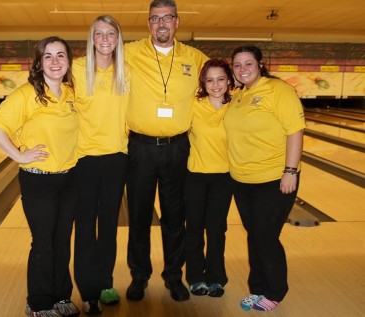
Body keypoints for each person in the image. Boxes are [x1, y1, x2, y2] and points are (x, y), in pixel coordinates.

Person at [0, 36, 80, 317]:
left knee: (62, 241)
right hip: (39, 180)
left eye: (60, 55)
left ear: (68, 61)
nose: (54, 61)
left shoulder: (71, 93)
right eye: (47, 56)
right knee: (43, 242)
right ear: (39, 63)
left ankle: (62, 296)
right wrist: (19, 155)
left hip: (69, 179)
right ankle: (38, 303)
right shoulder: (27, 94)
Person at [123, 0, 209, 302]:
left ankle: (174, 276)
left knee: (175, 217)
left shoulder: (196, 58)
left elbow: (223, 82)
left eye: (167, 18)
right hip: (140, 148)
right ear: (148, 24)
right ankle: (139, 276)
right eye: (155, 18)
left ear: (177, 22)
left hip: (177, 148)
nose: (161, 23)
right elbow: (94, 64)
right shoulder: (130, 52)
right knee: (139, 216)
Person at [223, 45, 305, 312]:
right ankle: (257, 289)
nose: (243, 68)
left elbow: (295, 132)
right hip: (242, 179)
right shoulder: (238, 96)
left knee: (266, 237)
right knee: (254, 236)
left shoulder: (279, 90)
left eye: (248, 63)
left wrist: (290, 171)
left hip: (273, 178)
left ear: (260, 64)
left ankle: (274, 292)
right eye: (237, 65)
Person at [72, 15, 129, 315]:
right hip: (83, 160)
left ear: (118, 38)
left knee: (108, 227)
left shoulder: (127, 71)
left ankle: (106, 283)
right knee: (84, 228)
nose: (105, 39)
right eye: (99, 33)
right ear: (91, 37)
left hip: (117, 159)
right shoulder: (77, 69)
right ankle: (87, 291)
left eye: (111, 33)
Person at [184, 59, 235, 298]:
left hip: (224, 177)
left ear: (229, 81)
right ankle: (195, 277)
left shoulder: (237, 106)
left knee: (217, 229)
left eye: (221, 79)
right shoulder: (194, 105)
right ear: (203, 82)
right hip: (195, 175)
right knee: (194, 228)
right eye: (210, 80)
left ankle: (216, 277)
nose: (215, 85)